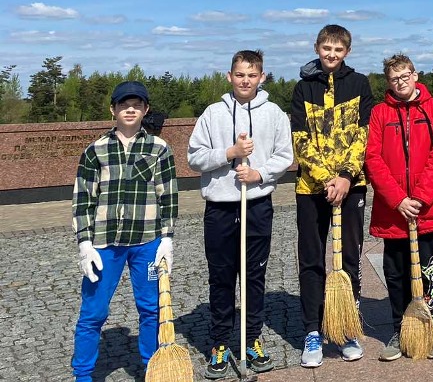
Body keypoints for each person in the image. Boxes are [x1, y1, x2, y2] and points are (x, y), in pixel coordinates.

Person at [188, 49, 294, 378]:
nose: (245, 80)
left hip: (257, 205)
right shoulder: (213, 113)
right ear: (229, 76)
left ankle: (251, 339)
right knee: (221, 277)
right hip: (220, 207)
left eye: (252, 75)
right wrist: (230, 153)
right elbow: (194, 157)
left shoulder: (274, 113)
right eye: (239, 74)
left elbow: (284, 155)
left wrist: (259, 174)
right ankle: (220, 342)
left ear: (262, 77)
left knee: (253, 276)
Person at [71, 81, 177, 382]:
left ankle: (150, 368)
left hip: (147, 243)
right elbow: (83, 199)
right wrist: (84, 244)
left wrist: (167, 238)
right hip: (105, 245)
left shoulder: (158, 149)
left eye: (136, 105)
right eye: (123, 105)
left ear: (145, 110)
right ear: (113, 110)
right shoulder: (95, 151)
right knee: (92, 314)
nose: (130, 109)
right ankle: (83, 375)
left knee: (151, 310)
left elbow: (168, 196)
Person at [291, 24, 373, 366]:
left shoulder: (359, 84)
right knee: (312, 259)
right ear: (316, 47)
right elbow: (300, 139)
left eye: (338, 49)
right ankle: (313, 329)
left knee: (350, 258)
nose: (331, 54)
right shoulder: (302, 87)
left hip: (351, 184)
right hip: (311, 187)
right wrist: (326, 178)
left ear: (347, 52)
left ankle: (346, 327)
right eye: (326, 48)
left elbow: (363, 135)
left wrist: (344, 176)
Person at [364, 54, 433, 361]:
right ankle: (400, 327)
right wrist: (398, 199)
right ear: (388, 81)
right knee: (396, 272)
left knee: (429, 273)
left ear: (414, 75)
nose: (400, 82)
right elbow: (372, 159)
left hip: (426, 210)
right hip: (393, 212)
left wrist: (421, 198)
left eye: (405, 76)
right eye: (394, 78)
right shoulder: (379, 113)